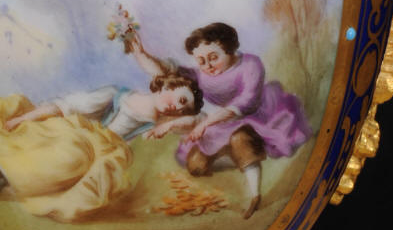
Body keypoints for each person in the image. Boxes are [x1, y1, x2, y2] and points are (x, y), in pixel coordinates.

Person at [0, 68, 203, 223]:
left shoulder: (158, 124)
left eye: (182, 109)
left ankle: (12, 180)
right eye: (180, 99)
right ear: (168, 85)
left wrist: (173, 123)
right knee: (69, 154)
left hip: (107, 153)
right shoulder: (117, 95)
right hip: (85, 137)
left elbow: (199, 120)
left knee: (82, 176)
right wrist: (23, 118)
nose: (177, 108)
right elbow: (68, 105)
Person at [129, 23, 310, 219]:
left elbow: (246, 103)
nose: (207, 65)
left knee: (240, 141)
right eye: (201, 60)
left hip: (258, 116)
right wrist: (141, 55)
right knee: (196, 165)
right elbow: (166, 71)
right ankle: (234, 157)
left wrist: (205, 124)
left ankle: (255, 195)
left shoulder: (250, 65)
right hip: (221, 123)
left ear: (229, 49)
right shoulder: (200, 76)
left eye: (213, 57)